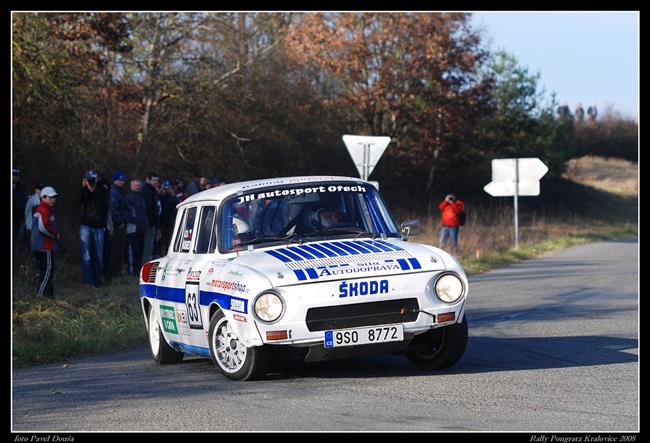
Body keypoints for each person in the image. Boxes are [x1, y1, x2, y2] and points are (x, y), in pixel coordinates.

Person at [78, 169, 110, 287]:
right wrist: (83, 188)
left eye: (93, 179)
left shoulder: (103, 188)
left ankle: (99, 280)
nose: (91, 181)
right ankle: (88, 281)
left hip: (99, 226)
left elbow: (102, 203)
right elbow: (77, 200)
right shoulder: (84, 189)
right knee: (86, 254)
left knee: (99, 254)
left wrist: (94, 187)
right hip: (86, 224)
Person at [31, 186, 60, 298]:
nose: (53, 199)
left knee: (46, 271)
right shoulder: (43, 209)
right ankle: (40, 295)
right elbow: (42, 227)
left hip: (40, 246)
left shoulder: (45, 209)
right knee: (48, 271)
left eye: (54, 197)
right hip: (44, 246)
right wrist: (54, 234)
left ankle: (49, 296)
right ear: (43, 198)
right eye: (51, 197)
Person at [106, 171, 129, 279]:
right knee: (115, 249)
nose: (122, 182)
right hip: (116, 226)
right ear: (115, 180)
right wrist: (119, 222)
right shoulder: (114, 192)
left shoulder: (120, 192)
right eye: (119, 180)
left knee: (120, 249)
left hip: (121, 223)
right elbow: (113, 210)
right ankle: (113, 272)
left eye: (123, 180)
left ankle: (117, 271)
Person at [125, 180, 148, 275]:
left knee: (140, 250)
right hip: (132, 229)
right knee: (133, 250)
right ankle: (132, 271)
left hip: (141, 229)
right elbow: (128, 214)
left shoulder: (141, 198)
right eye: (135, 185)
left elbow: (144, 213)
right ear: (131, 186)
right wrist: (137, 221)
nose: (137, 187)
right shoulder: (128, 198)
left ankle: (137, 270)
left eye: (139, 185)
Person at [141, 172, 160, 262]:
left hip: (152, 223)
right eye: (153, 180)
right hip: (148, 224)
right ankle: (144, 267)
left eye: (157, 180)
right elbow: (148, 209)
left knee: (150, 247)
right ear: (147, 180)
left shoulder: (153, 191)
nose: (156, 182)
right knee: (147, 248)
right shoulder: (146, 191)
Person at [157, 180, 179, 256]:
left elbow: (177, 204)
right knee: (160, 243)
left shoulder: (172, 198)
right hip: (161, 224)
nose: (165, 190)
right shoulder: (159, 197)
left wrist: (172, 194)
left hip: (169, 223)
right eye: (164, 188)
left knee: (168, 242)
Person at [24, 183, 45, 252]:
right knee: (31, 246)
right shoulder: (32, 199)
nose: (41, 191)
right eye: (40, 189)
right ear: (36, 190)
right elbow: (26, 212)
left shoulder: (45, 199)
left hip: (41, 227)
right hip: (31, 226)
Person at [13, 168, 26, 257]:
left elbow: (21, 202)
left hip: (17, 216)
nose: (14, 177)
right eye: (13, 175)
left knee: (16, 236)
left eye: (16, 176)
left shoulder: (21, 188)